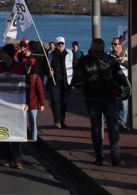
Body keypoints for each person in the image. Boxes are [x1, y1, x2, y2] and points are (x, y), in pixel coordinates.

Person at [72, 38, 128, 167]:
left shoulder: (110, 60)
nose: (98, 54)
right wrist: (89, 80)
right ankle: (99, 156)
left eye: (101, 51)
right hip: (92, 99)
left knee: (114, 127)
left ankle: (115, 156)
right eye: (96, 51)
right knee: (96, 128)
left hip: (109, 98)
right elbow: (75, 83)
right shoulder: (83, 62)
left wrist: (110, 77)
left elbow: (121, 77)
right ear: (91, 49)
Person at [0, 44, 27, 169]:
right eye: (2, 53)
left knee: (16, 131)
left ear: (11, 54)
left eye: (5, 53)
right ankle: (7, 157)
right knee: (2, 131)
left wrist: (27, 102)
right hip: (0, 102)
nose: (2, 55)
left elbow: (26, 85)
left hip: (16, 104)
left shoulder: (20, 67)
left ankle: (17, 158)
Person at [47, 36, 73, 129]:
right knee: (55, 100)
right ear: (55, 44)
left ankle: (62, 120)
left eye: (62, 43)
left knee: (64, 102)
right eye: (59, 44)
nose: (60, 45)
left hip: (66, 82)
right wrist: (48, 72)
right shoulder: (50, 54)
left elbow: (74, 67)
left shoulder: (70, 54)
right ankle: (57, 121)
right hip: (54, 82)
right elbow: (43, 67)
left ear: (65, 44)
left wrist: (74, 82)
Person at [23, 55, 45, 145]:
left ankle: (34, 139)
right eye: (26, 66)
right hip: (23, 102)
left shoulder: (35, 77)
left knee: (32, 121)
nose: (27, 68)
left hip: (33, 103)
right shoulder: (23, 76)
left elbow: (40, 91)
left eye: (29, 66)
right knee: (22, 120)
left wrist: (42, 104)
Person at [109, 38, 129, 131]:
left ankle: (121, 122)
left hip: (126, 83)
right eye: (112, 44)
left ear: (121, 45)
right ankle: (115, 121)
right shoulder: (109, 55)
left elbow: (134, 65)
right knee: (112, 103)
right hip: (113, 83)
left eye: (115, 44)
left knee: (123, 104)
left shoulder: (128, 54)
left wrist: (124, 62)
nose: (113, 46)